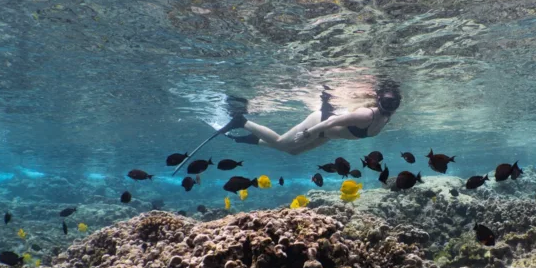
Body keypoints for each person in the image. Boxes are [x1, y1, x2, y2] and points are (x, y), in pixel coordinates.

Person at [172, 80, 401, 174]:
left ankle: (245, 138)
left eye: (394, 103)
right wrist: (310, 131)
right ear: (379, 98)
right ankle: (241, 121)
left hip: (328, 134)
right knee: (282, 143)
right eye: (387, 102)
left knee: (293, 151)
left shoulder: (385, 117)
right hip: (321, 122)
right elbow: (332, 121)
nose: (390, 106)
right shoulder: (365, 115)